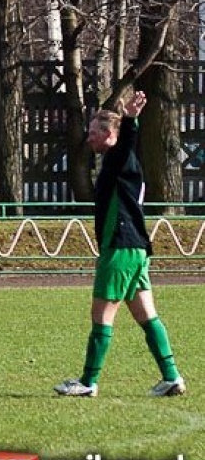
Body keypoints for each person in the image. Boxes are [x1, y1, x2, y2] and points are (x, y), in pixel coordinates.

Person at [56, 91, 185, 398]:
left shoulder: (119, 156)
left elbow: (127, 142)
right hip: (135, 248)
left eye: (94, 132)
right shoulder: (118, 164)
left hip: (121, 248)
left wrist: (129, 120)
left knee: (101, 315)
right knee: (146, 315)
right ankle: (171, 377)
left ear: (110, 134)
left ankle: (88, 382)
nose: (89, 138)